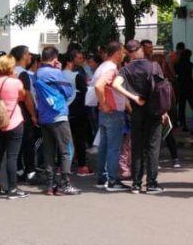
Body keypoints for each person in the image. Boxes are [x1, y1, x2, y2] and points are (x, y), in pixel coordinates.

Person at [113, 40, 167, 194]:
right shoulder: (154, 66)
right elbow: (161, 90)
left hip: (137, 112)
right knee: (152, 148)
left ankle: (136, 184)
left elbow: (115, 85)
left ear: (128, 52)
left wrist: (134, 97)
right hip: (154, 111)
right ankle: (151, 184)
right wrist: (164, 111)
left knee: (137, 148)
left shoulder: (126, 69)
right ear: (141, 49)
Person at [35, 47, 80, 196]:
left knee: (48, 151)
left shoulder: (37, 73)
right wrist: (59, 71)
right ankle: (65, 184)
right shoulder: (55, 73)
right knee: (66, 149)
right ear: (55, 59)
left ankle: (50, 185)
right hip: (58, 115)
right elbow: (68, 91)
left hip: (44, 117)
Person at [0, 55, 28, 199]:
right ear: (11, 67)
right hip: (14, 121)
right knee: (12, 157)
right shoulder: (15, 82)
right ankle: (13, 189)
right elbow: (22, 96)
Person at [92, 41, 129, 191]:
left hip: (104, 111)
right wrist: (105, 103)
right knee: (114, 147)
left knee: (104, 145)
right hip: (112, 111)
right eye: (123, 52)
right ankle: (113, 180)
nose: (124, 55)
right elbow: (99, 86)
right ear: (117, 52)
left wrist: (103, 104)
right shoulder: (111, 68)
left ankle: (102, 177)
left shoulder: (102, 66)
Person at [9, 46, 39, 184]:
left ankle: (18, 170)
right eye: (28, 54)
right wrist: (33, 115)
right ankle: (30, 173)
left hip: (11, 111)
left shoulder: (9, 71)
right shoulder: (23, 74)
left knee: (16, 145)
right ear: (23, 56)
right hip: (23, 112)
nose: (30, 57)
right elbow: (27, 96)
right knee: (28, 143)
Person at [63, 52, 92, 177]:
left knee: (64, 140)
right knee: (79, 138)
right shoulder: (76, 76)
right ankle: (82, 166)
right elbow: (86, 91)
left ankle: (62, 166)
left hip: (62, 110)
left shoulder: (57, 75)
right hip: (78, 110)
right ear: (70, 62)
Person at [174, 48, 193, 131]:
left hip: (181, 86)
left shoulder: (177, 64)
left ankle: (182, 124)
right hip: (189, 86)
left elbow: (176, 74)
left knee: (181, 106)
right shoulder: (191, 65)